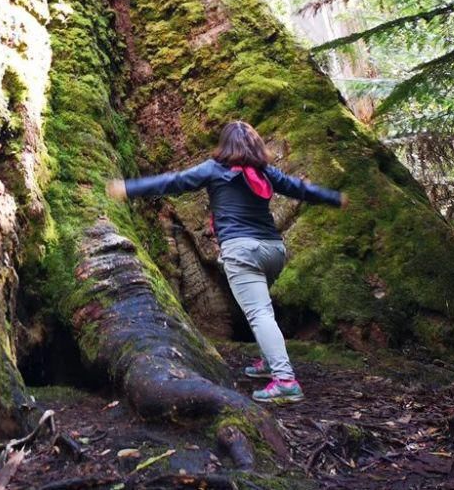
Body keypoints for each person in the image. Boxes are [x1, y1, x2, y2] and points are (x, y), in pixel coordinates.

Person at [106, 120, 347, 404]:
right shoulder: (265, 172)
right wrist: (335, 198)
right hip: (273, 251)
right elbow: (300, 189)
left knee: (259, 313)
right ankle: (271, 362)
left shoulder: (214, 169)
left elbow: (172, 182)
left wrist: (129, 188)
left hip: (241, 250)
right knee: (261, 310)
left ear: (225, 145)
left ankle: (285, 380)